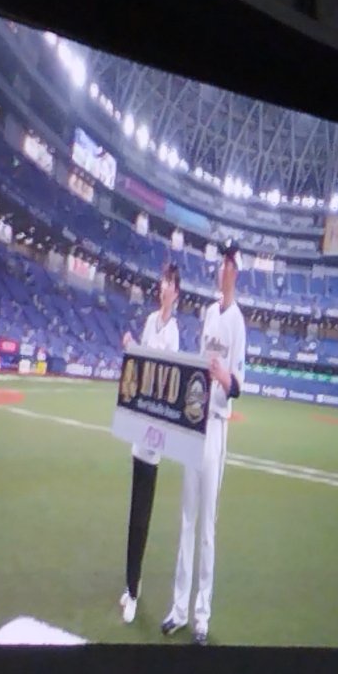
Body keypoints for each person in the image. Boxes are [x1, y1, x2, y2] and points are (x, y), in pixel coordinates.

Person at [163, 241, 248, 645]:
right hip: (196, 421)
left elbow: (238, 385)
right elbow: (200, 363)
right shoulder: (210, 313)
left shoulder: (237, 322)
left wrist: (222, 376)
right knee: (186, 519)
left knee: (207, 527)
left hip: (216, 426)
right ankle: (179, 609)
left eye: (229, 264)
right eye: (221, 263)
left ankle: (201, 616)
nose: (223, 269)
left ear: (236, 272)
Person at [118, 263, 181, 624]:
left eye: (169, 283)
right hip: (140, 427)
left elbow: (166, 374)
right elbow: (142, 368)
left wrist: (139, 350)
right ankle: (131, 582)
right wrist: (132, 348)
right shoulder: (150, 321)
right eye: (162, 282)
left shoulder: (172, 331)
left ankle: (132, 590)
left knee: (142, 515)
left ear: (177, 292)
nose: (163, 287)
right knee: (133, 513)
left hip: (156, 434)